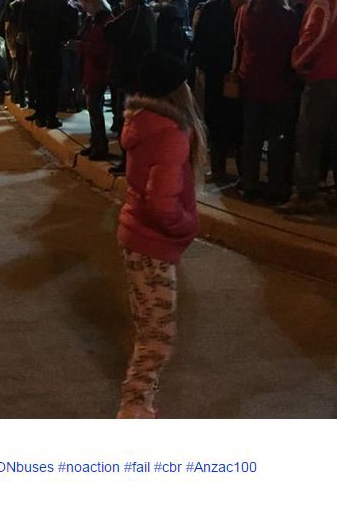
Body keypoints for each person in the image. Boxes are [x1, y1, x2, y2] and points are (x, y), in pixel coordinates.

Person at [116, 51, 207, 419]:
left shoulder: (144, 121)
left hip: (135, 235)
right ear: (179, 90)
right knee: (157, 336)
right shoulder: (171, 135)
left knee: (148, 327)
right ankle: (135, 407)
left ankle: (142, 400)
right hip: (152, 242)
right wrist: (187, 226)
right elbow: (162, 204)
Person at [234, 0, 300, 204]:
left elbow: (239, 43)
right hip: (280, 85)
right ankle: (276, 186)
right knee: (278, 139)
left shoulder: (245, 12)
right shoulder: (288, 17)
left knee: (251, 137)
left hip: (250, 81)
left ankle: (249, 183)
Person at [279, 0, 337, 217]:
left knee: (309, 135)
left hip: (323, 74)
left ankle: (306, 193)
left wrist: (298, 61)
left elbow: (316, 35)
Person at [191, 0, 252, 182]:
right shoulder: (212, 9)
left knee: (240, 125)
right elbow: (201, 42)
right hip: (218, 75)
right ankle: (218, 170)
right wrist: (206, 68)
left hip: (243, 76)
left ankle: (244, 173)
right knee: (217, 123)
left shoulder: (252, 10)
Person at [103, 0, 157, 174]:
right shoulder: (149, 13)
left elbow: (109, 32)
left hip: (129, 73)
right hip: (143, 72)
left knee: (128, 119)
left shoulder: (132, 15)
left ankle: (129, 162)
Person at [18, 0, 72, 129]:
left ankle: (40, 113)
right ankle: (51, 116)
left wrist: (23, 36)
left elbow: (24, 22)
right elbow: (66, 19)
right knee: (53, 82)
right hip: (55, 45)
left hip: (37, 45)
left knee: (39, 80)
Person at [68, 0, 114, 160]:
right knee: (93, 108)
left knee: (95, 108)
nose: (84, 8)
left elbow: (103, 49)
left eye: (85, 5)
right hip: (90, 67)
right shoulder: (93, 20)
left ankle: (100, 146)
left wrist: (80, 46)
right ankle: (95, 142)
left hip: (98, 69)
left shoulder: (105, 22)